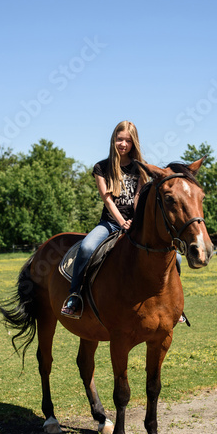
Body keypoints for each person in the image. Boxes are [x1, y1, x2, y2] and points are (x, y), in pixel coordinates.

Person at [61, 120, 148, 318]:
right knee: (86, 248)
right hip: (109, 223)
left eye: (128, 140)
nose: (123, 144)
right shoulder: (101, 167)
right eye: (120, 139)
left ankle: (174, 305)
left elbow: (138, 197)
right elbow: (108, 200)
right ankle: (74, 295)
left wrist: (134, 221)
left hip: (135, 224)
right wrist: (121, 222)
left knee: (174, 256)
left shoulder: (140, 168)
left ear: (134, 143)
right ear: (113, 140)